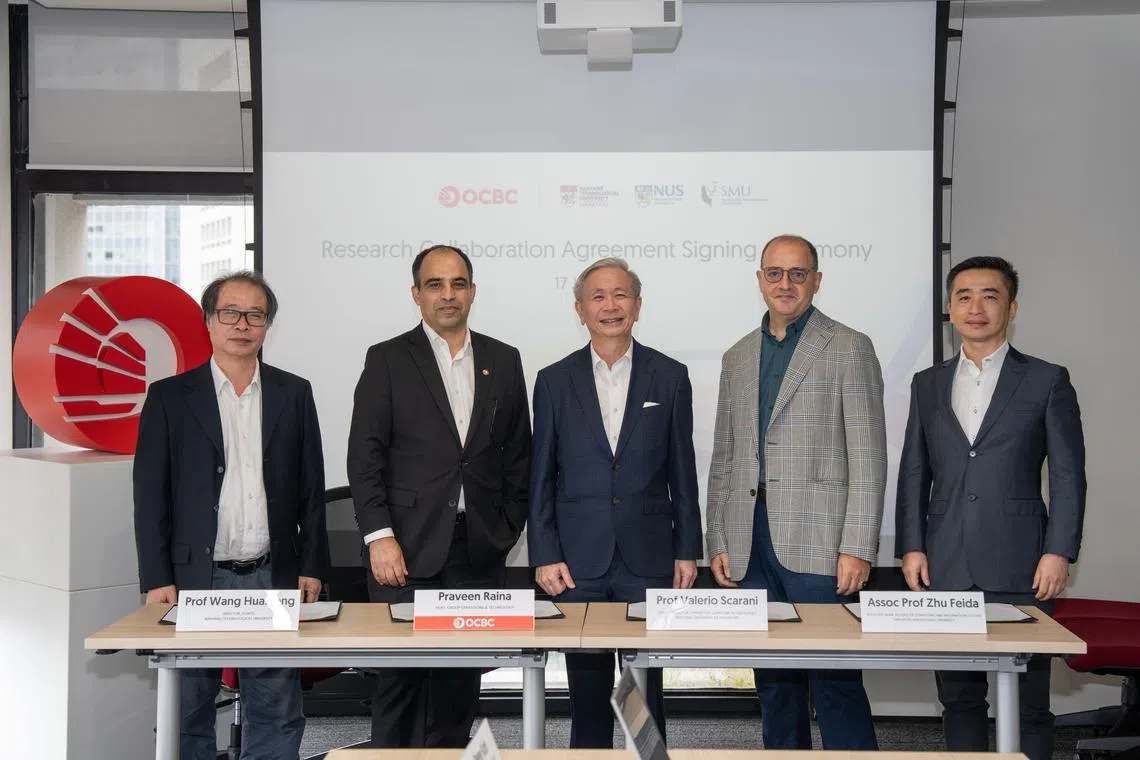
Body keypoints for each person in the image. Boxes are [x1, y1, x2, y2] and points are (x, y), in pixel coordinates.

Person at [896, 255, 1086, 760]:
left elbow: (1067, 475)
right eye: (964, 297)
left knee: (1028, 704)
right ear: (950, 309)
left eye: (990, 296)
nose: (975, 307)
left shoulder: (1046, 380)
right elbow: (914, 470)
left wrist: (1059, 551)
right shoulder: (927, 383)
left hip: (1022, 564)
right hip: (946, 563)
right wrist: (912, 546)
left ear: (1012, 307)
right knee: (959, 700)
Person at [134, 270, 329, 760]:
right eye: (230, 313)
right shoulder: (170, 397)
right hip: (195, 579)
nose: (243, 324)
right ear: (208, 320)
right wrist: (157, 578)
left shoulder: (293, 392)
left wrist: (311, 565)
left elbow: (311, 489)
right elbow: (150, 497)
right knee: (186, 710)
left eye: (255, 315)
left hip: (270, 574)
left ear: (267, 325)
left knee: (277, 709)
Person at [705, 234, 886, 750]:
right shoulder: (738, 355)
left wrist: (858, 546)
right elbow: (725, 456)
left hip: (822, 544)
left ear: (817, 280)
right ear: (760, 280)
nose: (786, 284)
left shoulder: (849, 347)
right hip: (750, 542)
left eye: (798, 273)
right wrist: (717, 537)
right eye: (775, 273)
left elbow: (869, 456)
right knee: (773, 683)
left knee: (835, 682)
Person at [347, 244, 532, 748]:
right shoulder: (387, 359)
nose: (447, 295)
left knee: (457, 687)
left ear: (472, 292)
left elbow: (518, 455)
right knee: (400, 684)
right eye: (435, 284)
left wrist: (506, 528)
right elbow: (364, 457)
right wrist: (379, 538)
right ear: (416, 294)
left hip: (477, 549)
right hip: (404, 549)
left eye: (457, 284)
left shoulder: (503, 359)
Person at [529, 257, 702, 748]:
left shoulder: (670, 376)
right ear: (580, 309)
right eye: (598, 296)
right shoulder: (553, 380)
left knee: (644, 693)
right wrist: (544, 552)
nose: (611, 306)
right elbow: (541, 476)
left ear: (638, 306)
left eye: (621, 295)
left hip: (648, 556)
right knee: (587, 692)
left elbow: (682, 470)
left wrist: (687, 549)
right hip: (576, 561)